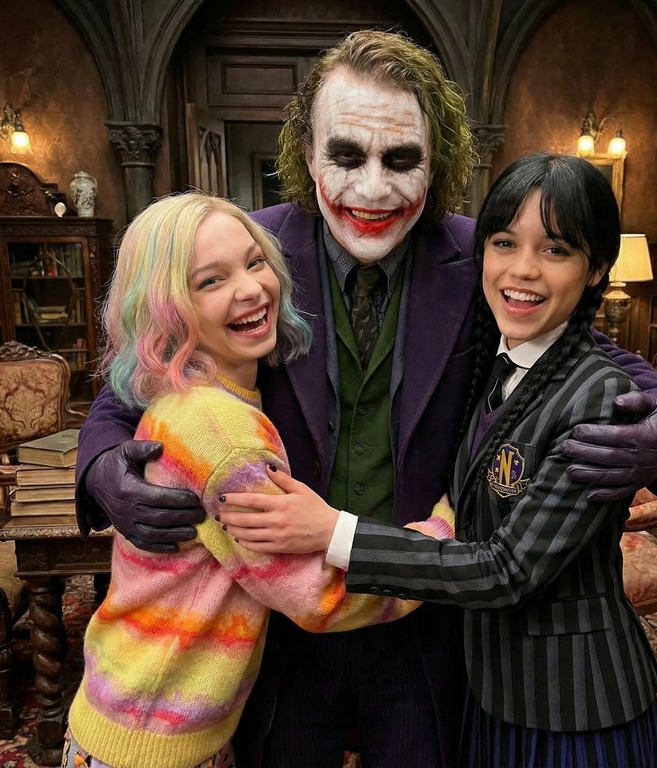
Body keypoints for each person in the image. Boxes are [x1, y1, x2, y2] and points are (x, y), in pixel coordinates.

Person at [75, 31, 657, 768]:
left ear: (437, 163)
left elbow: (589, 350)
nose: (372, 188)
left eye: (401, 160)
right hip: (281, 629)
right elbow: (140, 369)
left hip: (424, 626)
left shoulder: (486, 255)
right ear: (308, 155)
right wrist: (103, 464)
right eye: (346, 156)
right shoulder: (250, 255)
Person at [221, 152, 657, 768]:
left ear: (596, 270)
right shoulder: (501, 362)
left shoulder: (596, 396)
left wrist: (333, 532)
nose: (523, 269)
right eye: (504, 243)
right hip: (491, 690)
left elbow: (508, 569)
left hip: (574, 704)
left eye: (556, 250)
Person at [64, 192, 454, 768]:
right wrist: (444, 534)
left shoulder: (203, 394)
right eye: (210, 281)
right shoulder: (221, 435)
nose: (250, 288)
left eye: (254, 263)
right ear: (167, 310)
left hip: (145, 717)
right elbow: (318, 596)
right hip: (155, 740)